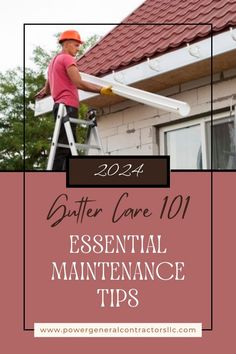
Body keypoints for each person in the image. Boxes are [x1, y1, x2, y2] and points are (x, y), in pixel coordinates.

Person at [36, 29, 114, 170]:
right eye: (76, 45)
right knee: (65, 146)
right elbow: (79, 83)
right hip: (67, 106)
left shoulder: (53, 62)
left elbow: (47, 89)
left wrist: (41, 92)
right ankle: (55, 181)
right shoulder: (67, 59)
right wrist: (100, 90)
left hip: (59, 107)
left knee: (67, 144)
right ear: (66, 44)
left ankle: (67, 176)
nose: (78, 49)